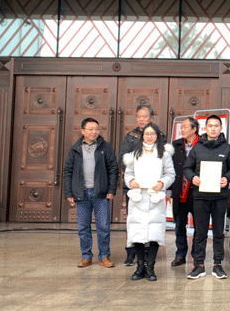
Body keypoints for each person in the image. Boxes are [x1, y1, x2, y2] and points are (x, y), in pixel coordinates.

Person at [184, 115, 230, 279]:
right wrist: (192, 177)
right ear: (205, 128)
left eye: (216, 126)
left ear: (221, 128)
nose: (213, 128)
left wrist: (227, 178)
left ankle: (217, 265)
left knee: (218, 232)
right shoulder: (197, 148)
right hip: (200, 197)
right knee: (200, 232)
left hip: (220, 197)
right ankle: (199, 265)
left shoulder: (227, 149)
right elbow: (187, 168)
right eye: (210, 126)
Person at [63, 117, 119, 269]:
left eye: (96, 129)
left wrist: (111, 190)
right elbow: (68, 171)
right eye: (90, 129)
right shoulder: (75, 149)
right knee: (83, 227)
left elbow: (113, 169)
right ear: (82, 131)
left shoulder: (105, 147)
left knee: (103, 226)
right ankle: (86, 256)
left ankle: (104, 256)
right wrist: (68, 192)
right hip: (81, 194)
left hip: (100, 194)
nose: (94, 132)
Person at [123, 123, 175, 282]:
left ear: (157, 136)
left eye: (153, 134)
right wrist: (131, 181)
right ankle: (140, 266)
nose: (149, 136)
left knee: (154, 232)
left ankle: (150, 267)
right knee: (137, 233)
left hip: (155, 198)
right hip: (138, 198)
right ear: (142, 136)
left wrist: (162, 183)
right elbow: (128, 174)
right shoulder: (134, 154)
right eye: (147, 134)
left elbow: (170, 174)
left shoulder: (164, 154)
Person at [118, 104, 166, 266]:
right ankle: (131, 252)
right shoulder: (130, 136)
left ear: (151, 118)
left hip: (154, 189)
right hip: (136, 188)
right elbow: (123, 158)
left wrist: (159, 181)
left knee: (153, 221)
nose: (141, 119)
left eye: (144, 116)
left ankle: (148, 254)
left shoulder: (160, 136)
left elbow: (164, 161)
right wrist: (134, 177)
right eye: (139, 116)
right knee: (134, 220)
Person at [170, 117, 198, 268]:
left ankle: (196, 255)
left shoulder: (202, 145)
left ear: (194, 129)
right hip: (179, 192)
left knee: (199, 226)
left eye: (186, 127)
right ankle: (180, 254)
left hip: (197, 193)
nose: (182, 129)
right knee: (179, 225)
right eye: (182, 127)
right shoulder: (175, 145)